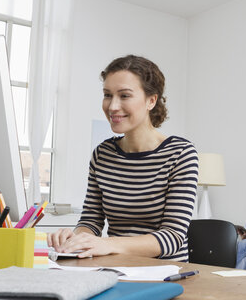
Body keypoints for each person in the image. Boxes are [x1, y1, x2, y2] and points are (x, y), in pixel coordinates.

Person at [47, 55, 198, 261]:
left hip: (166, 274)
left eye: (124, 96)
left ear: (151, 100)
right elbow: (91, 221)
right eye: (107, 95)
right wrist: (77, 238)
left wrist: (105, 244)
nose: (112, 106)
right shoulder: (102, 154)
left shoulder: (180, 153)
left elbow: (172, 237)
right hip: (115, 269)